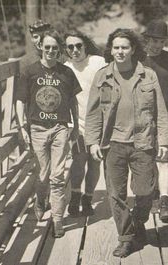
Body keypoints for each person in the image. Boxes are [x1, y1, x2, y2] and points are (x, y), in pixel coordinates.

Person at [85, 28, 168, 257]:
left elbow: (160, 110)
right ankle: (126, 238)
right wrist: (92, 142)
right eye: (116, 47)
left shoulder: (148, 75)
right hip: (112, 144)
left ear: (133, 49)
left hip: (143, 142)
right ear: (111, 50)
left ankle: (138, 220)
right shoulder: (102, 76)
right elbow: (93, 113)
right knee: (116, 194)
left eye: (124, 47)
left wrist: (164, 141)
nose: (120, 51)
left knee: (145, 191)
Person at [15, 29, 82, 238]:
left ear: (59, 49)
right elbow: (20, 101)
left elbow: (72, 101)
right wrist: (22, 127)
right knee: (43, 173)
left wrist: (76, 126)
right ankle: (40, 199)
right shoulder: (29, 71)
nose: (51, 51)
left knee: (57, 176)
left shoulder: (66, 73)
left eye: (55, 48)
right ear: (40, 48)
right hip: (37, 128)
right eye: (47, 47)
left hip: (60, 127)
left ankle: (57, 219)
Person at [142, 19, 168, 221]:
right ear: (147, 39)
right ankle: (153, 197)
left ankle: (165, 202)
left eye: (162, 41)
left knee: (164, 158)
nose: (159, 45)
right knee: (146, 159)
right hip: (143, 116)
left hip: (166, 114)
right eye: (155, 41)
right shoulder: (137, 59)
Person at [64, 30, 106, 216]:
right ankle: (75, 196)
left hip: (99, 121)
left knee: (94, 162)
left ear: (85, 45)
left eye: (78, 45)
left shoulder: (98, 62)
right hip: (76, 122)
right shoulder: (65, 67)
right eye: (70, 47)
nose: (75, 50)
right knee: (79, 160)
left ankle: (88, 198)